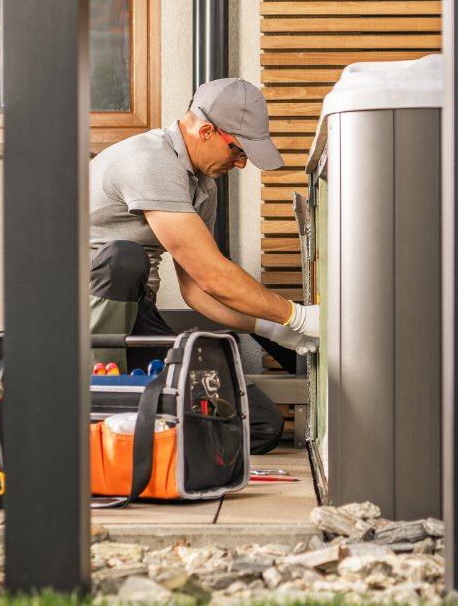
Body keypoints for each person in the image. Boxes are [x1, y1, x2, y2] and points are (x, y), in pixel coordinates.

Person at [88, 78, 321, 454]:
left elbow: (198, 288)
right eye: (238, 151)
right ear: (206, 130)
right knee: (124, 257)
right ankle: (96, 403)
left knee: (258, 423)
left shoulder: (202, 188)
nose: (242, 163)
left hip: (134, 315)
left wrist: (271, 328)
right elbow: (214, 275)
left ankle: (142, 430)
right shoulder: (150, 161)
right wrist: (296, 316)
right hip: (83, 312)